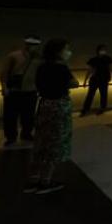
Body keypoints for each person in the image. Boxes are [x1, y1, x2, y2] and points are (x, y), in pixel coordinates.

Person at [23, 39, 79, 194]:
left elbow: (38, 84)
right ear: (58, 51)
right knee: (54, 143)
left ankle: (33, 179)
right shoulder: (61, 67)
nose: (69, 52)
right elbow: (75, 83)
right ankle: (46, 181)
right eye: (66, 49)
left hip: (44, 104)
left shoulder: (41, 66)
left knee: (41, 141)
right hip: (59, 106)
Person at [0, 35, 42, 148]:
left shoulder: (39, 58)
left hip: (30, 90)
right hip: (14, 90)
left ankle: (26, 133)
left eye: (35, 45)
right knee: (10, 115)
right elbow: (5, 72)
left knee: (28, 115)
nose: (32, 47)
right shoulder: (14, 56)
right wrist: (4, 87)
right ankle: (11, 137)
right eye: (30, 44)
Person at [81, 44, 112, 116]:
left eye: (104, 50)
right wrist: (85, 81)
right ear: (98, 51)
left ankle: (101, 108)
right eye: (102, 50)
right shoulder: (94, 59)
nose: (104, 51)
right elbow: (89, 70)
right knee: (91, 94)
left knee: (103, 94)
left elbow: (111, 68)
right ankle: (85, 109)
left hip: (103, 79)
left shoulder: (107, 59)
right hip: (95, 79)